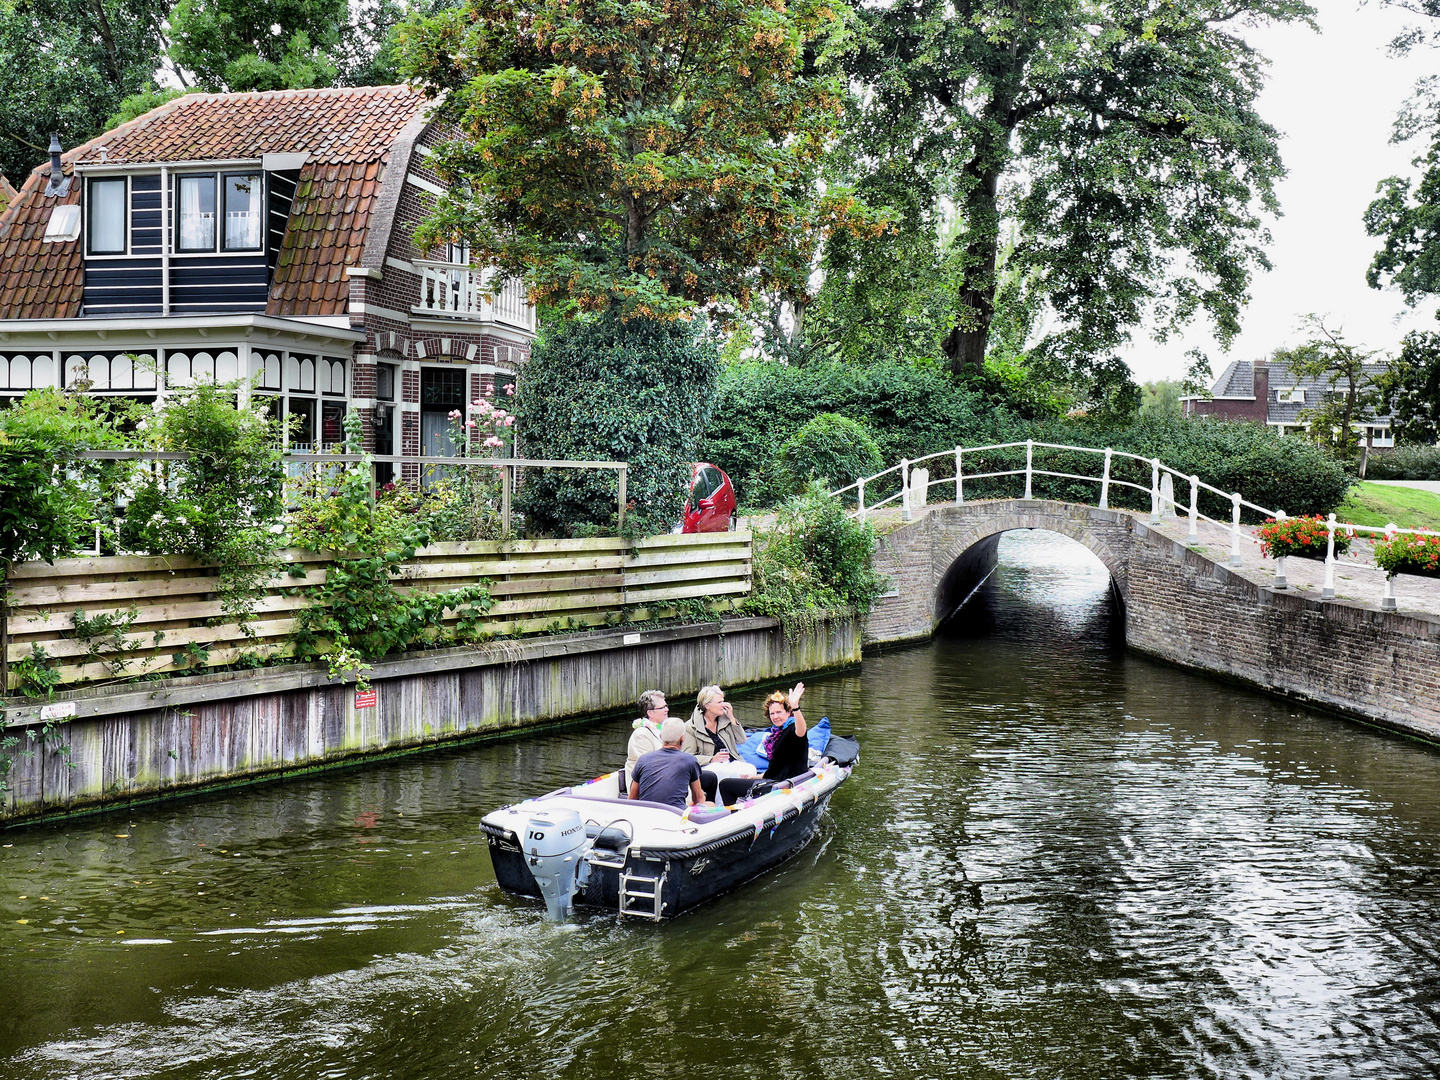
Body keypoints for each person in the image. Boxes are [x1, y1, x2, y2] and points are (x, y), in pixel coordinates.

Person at [715, 682, 809, 806]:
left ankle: (731, 817)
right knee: (736, 781)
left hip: (782, 786)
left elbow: (801, 731)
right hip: (777, 780)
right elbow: (776, 768)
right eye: (772, 713)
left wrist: (796, 707)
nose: (775, 717)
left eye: (779, 712)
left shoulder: (792, 729)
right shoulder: (777, 733)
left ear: (788, 712)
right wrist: (756, 777)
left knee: (725, 785)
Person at [629, 718, 706, 811]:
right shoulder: (690, 760)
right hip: (675, 814)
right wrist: (702, 797)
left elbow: (632, 799)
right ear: (682, 739)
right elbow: (698, 799)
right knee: (710, 805)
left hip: (647, 813)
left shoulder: (643, 759)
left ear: (661, 736)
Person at [683, 685, 745, 766]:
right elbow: (688, 758)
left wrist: (732, 718)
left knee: (751, 769)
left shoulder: (726, 719)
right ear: (707, 705)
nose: (724, 705)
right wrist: (711, 759)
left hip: (730, 762)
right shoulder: (690, 727)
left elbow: (742, 740)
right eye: (719, 702)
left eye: (723, 701)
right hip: (708, 767)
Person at [622, 689, 669, 793]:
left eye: (666, 706)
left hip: (665, 779)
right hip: (647, 787)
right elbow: (650, 768)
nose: (667, 709)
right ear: (650, 713)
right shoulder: (641, 734)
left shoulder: (662, 730)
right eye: (662, 707)